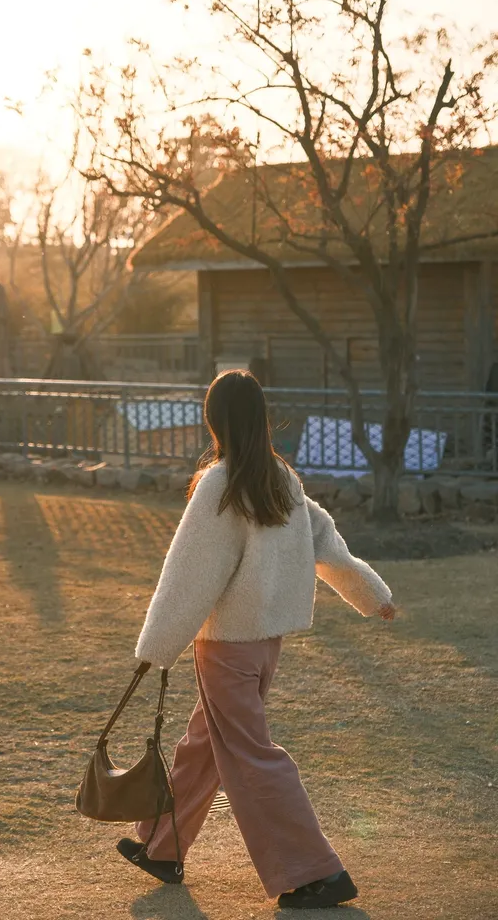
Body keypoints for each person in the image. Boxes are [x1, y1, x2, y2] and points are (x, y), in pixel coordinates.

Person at [117, 370, 396, 910]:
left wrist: (156, 647)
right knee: (204, 746)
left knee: (251, 757)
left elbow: (190, 574)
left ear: (214, 421)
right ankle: (160, 846)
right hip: (264, 644)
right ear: (261, 418)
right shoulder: (280, 478)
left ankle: (318, 873)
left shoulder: (220, 483)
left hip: (226, 646)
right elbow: (326, 542)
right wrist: (373, 594)